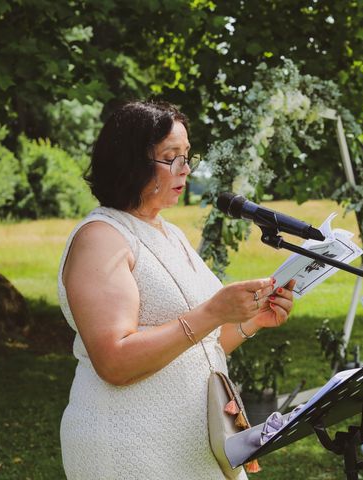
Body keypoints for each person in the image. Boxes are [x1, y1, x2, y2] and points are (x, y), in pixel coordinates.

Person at [57, 101, 296, 479]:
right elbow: (114, 361)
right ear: (130, 162)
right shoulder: (101, 239)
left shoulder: (170, 233)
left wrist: (251, 322)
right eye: (171, 157)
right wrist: (213, 312)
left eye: (187, 156)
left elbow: (198, 345)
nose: (185, 168)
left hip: (195, 444)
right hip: (130, 444)